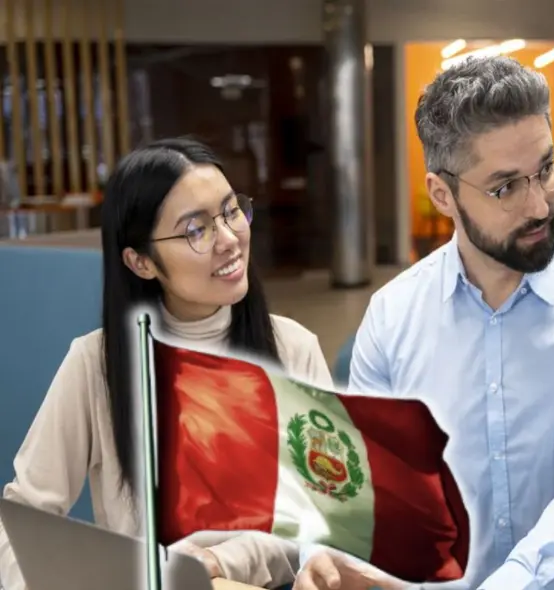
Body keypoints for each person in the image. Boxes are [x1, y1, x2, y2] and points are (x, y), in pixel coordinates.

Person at [295, 55, 554, 590]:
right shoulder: (393, 315)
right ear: (442, 195)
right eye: (505, 187)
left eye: (546, 168)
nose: (538, 206)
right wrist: (325, 555)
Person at [0, 138, 336, 590]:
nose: (229, 239)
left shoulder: (292, 349)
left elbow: (320, 521)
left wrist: (216, 562)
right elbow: (23, 517)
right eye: (196, 229)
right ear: (141, 262)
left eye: (231, 211)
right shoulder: (96, 364)